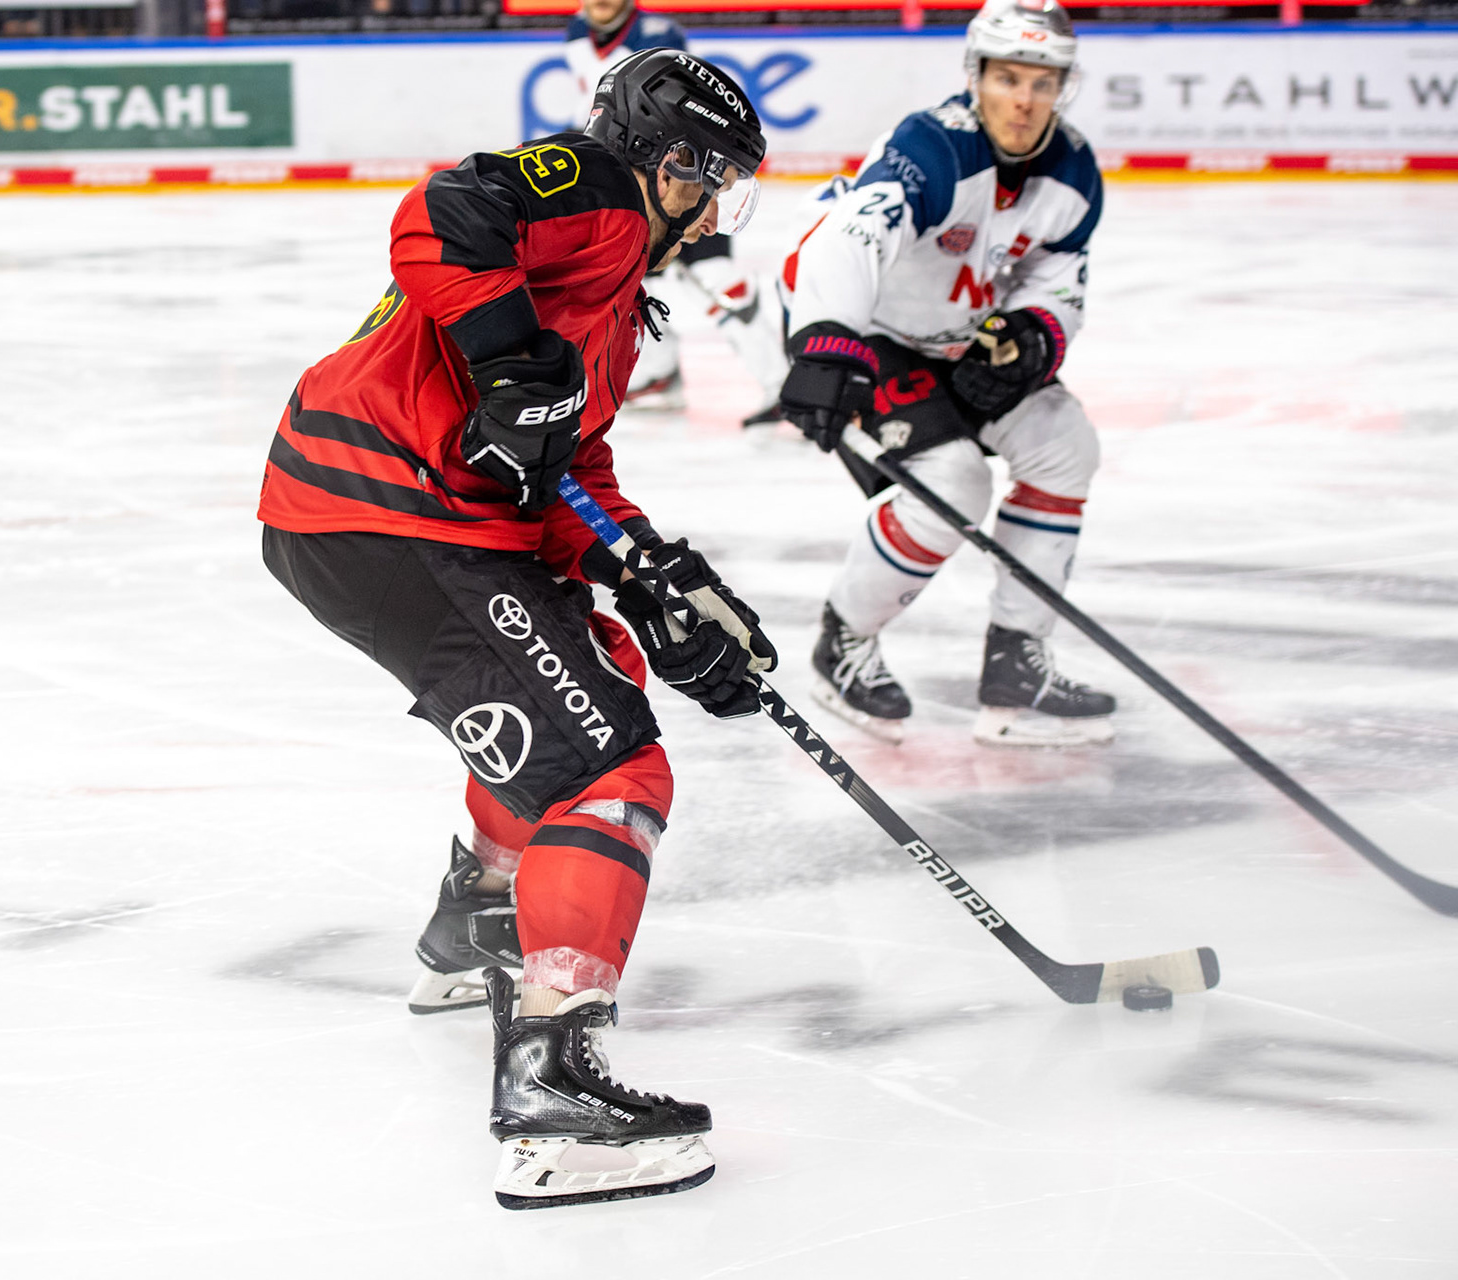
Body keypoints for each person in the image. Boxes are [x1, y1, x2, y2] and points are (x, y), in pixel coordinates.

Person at [259, 49, 772, 1208]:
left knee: (611, 663)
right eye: (706, 173)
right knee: (611, 766)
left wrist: (654, 575)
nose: (708, 204)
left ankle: (481, 918)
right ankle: (552, 1090)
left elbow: (564, 466)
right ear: (661, 154)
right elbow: (441, 209)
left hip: (392, 515)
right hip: (381, 509)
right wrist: (507, 359)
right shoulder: (591, 187)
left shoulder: (616, 297)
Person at [777, 0, 1113, 748]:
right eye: (1008, 78)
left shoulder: (1075, 169)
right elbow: (849, 238)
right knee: (954, 483)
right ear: (978, 77)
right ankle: (843, 644)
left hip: (958, 340)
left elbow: (1058, 279)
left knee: (1066, 442)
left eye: (1043, 82)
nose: (1024, 100)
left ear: (1064, 86)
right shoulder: (933, 147)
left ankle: (1015, 661)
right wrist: (826, 343)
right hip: (867, 333)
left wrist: (1034, 333)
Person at [564, 0, 774, 417]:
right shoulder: (575, 31)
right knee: (636, 269)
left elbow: (683, 112)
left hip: (675, 173)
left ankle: (779, 375)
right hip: (625, 172)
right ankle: (660, 369)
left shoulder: (657, 32)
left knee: (714, 277)